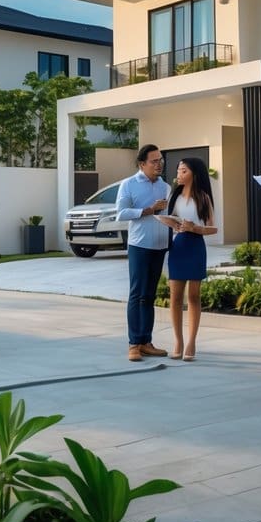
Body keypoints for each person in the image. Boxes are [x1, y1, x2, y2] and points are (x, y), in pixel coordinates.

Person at [115, 144, 172, 361]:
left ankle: (146, 341)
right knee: (137, 294)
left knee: (150, 295)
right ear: (142, 164)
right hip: (139, 246)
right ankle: (133, 344)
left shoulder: (165, 187)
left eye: (160, 160)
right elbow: (120, 213)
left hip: (159, 246)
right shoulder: (129, 184)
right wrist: (148, 210)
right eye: (154, 161)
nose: (159, 164)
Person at [164, 157, 217, 361]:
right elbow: (171, 220)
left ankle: (191, 341)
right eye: (178, 170)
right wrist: (172, 224)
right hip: (178, 246)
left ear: (194, 173)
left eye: (183, 171)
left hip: (195, 246)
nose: (179, 174)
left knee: (194, 297)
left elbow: (213, 227)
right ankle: (177, 340)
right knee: (175, 297)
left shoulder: (203, 197)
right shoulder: (174, 196)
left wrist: (195, 228)